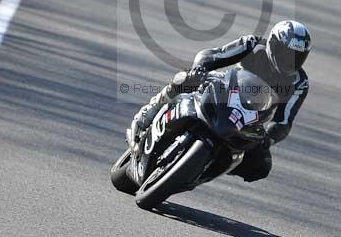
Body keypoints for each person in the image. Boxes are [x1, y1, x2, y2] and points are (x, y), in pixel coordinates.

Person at [131, 20, 311, 182]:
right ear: (273, 44)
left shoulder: (299, 82)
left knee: (261, 166)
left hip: (251, 117)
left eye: (297, 56)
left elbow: (283, 122)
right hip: (224, 90)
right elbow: (213, 55)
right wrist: (199, 69)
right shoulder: (253, 45)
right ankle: (150, 111)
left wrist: (269, 140)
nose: (290, 61)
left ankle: (204, 168)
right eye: (286, 53)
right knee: (186, 79)